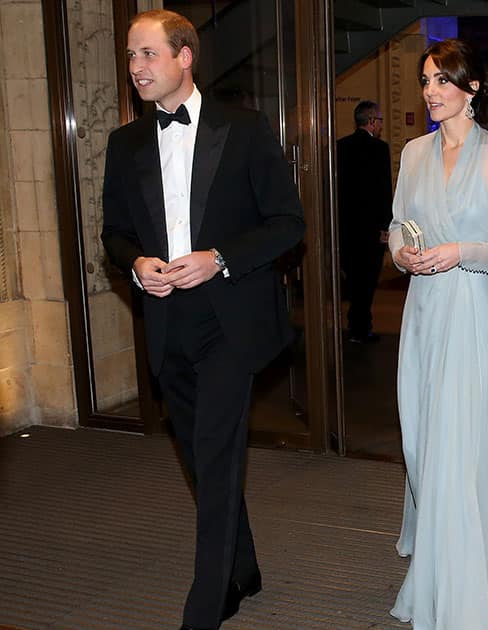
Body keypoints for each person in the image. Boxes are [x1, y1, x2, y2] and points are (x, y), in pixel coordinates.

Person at [101, 10, 305, 629]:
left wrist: (219, 258)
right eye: (131, 56)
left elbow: (287, 224)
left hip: (230, 321)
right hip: (165, 322)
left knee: (216, 455)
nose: (137, 67)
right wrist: (136, 263)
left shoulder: (243, 131)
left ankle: (205, 604)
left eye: (147, 54)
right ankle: (243, 566)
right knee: (198, 454)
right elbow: (112, 233)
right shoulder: (125, 142)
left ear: (185, 56)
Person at [387, 38, 488, 628]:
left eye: (442, 81)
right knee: (423, 442)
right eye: (426, 80)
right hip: (422, 313)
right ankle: (438, 544)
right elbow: (398, 223)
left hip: (472, 312)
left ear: (471, 88)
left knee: (459, 444)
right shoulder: (413, 153)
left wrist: (460, 252)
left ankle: (460, 574)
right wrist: (403, 254)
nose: (431, 91)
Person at [337, 100, 393, 343]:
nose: (381, 125)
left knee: (353, 277)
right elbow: (383, 190)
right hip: (371, 229)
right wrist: (385, 225)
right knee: (368, 281)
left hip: (347, 227)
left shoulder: (339, 147)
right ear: (371, 121)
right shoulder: (379, 149)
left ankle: (354, 326)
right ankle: (361, 328)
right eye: (380, 120)